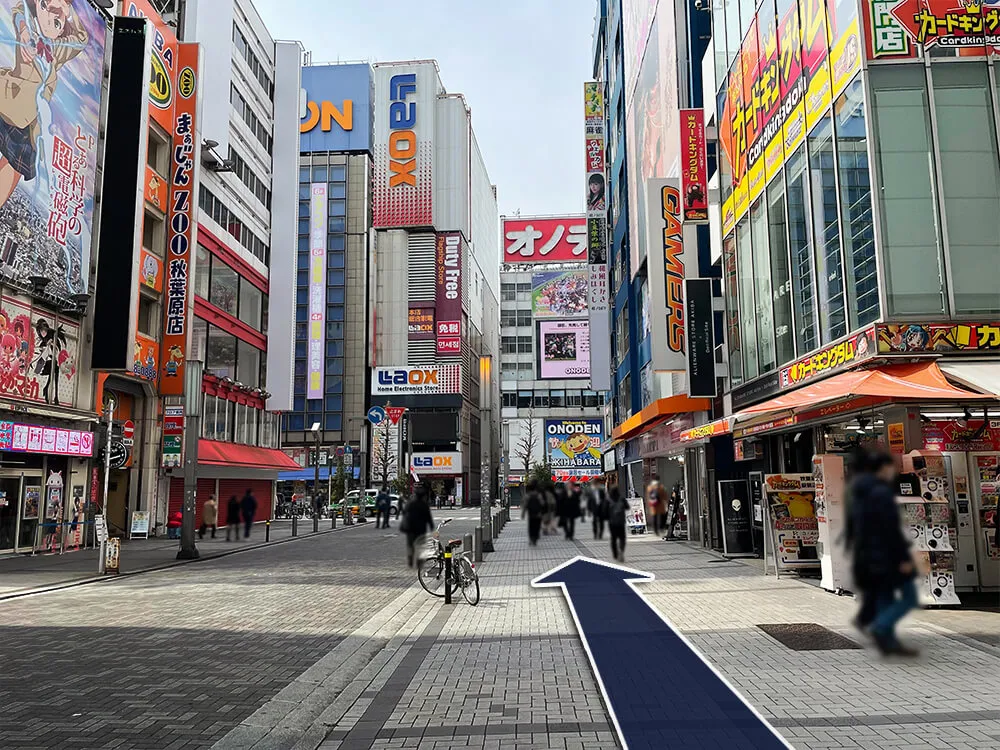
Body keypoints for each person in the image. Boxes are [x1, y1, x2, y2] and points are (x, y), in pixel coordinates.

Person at [845, 448, 919, 657]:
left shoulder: (859, 493)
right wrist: (903, 558)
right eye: (891, 467)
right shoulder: (881, 493)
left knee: (884, 596)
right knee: (909, 597)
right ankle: (881, 627)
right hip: (886, 555)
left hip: (867, 555)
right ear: (884, 468)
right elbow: (890, 530)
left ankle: (888, 642)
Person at [403, 483, 434, 567]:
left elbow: (405, 514)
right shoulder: (424, 504)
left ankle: (410, 561)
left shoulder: (410, 503)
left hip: (410, 528)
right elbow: (428, 517)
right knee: (420, 545)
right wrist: (431, 526)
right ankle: (419, 562)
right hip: (421, 528)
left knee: (411, 545)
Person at [607, 481, 628, 562]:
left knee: (613, 539)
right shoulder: (622, 499)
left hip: (612, 523)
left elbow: (604, 511)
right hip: (621, 522)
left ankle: (615, 554)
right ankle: (621, 551)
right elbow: (627, 507)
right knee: (622, 538)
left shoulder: (608, 500)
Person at [522, 479, 544, 546]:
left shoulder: (528, 495)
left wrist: (523, 513)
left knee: (531, 526)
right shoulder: (539, 495)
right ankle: (535, 538)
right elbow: (542, 503)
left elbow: (525, 505)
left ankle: (531, 538)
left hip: (531, 513)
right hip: (538, 513)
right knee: (537, 526)